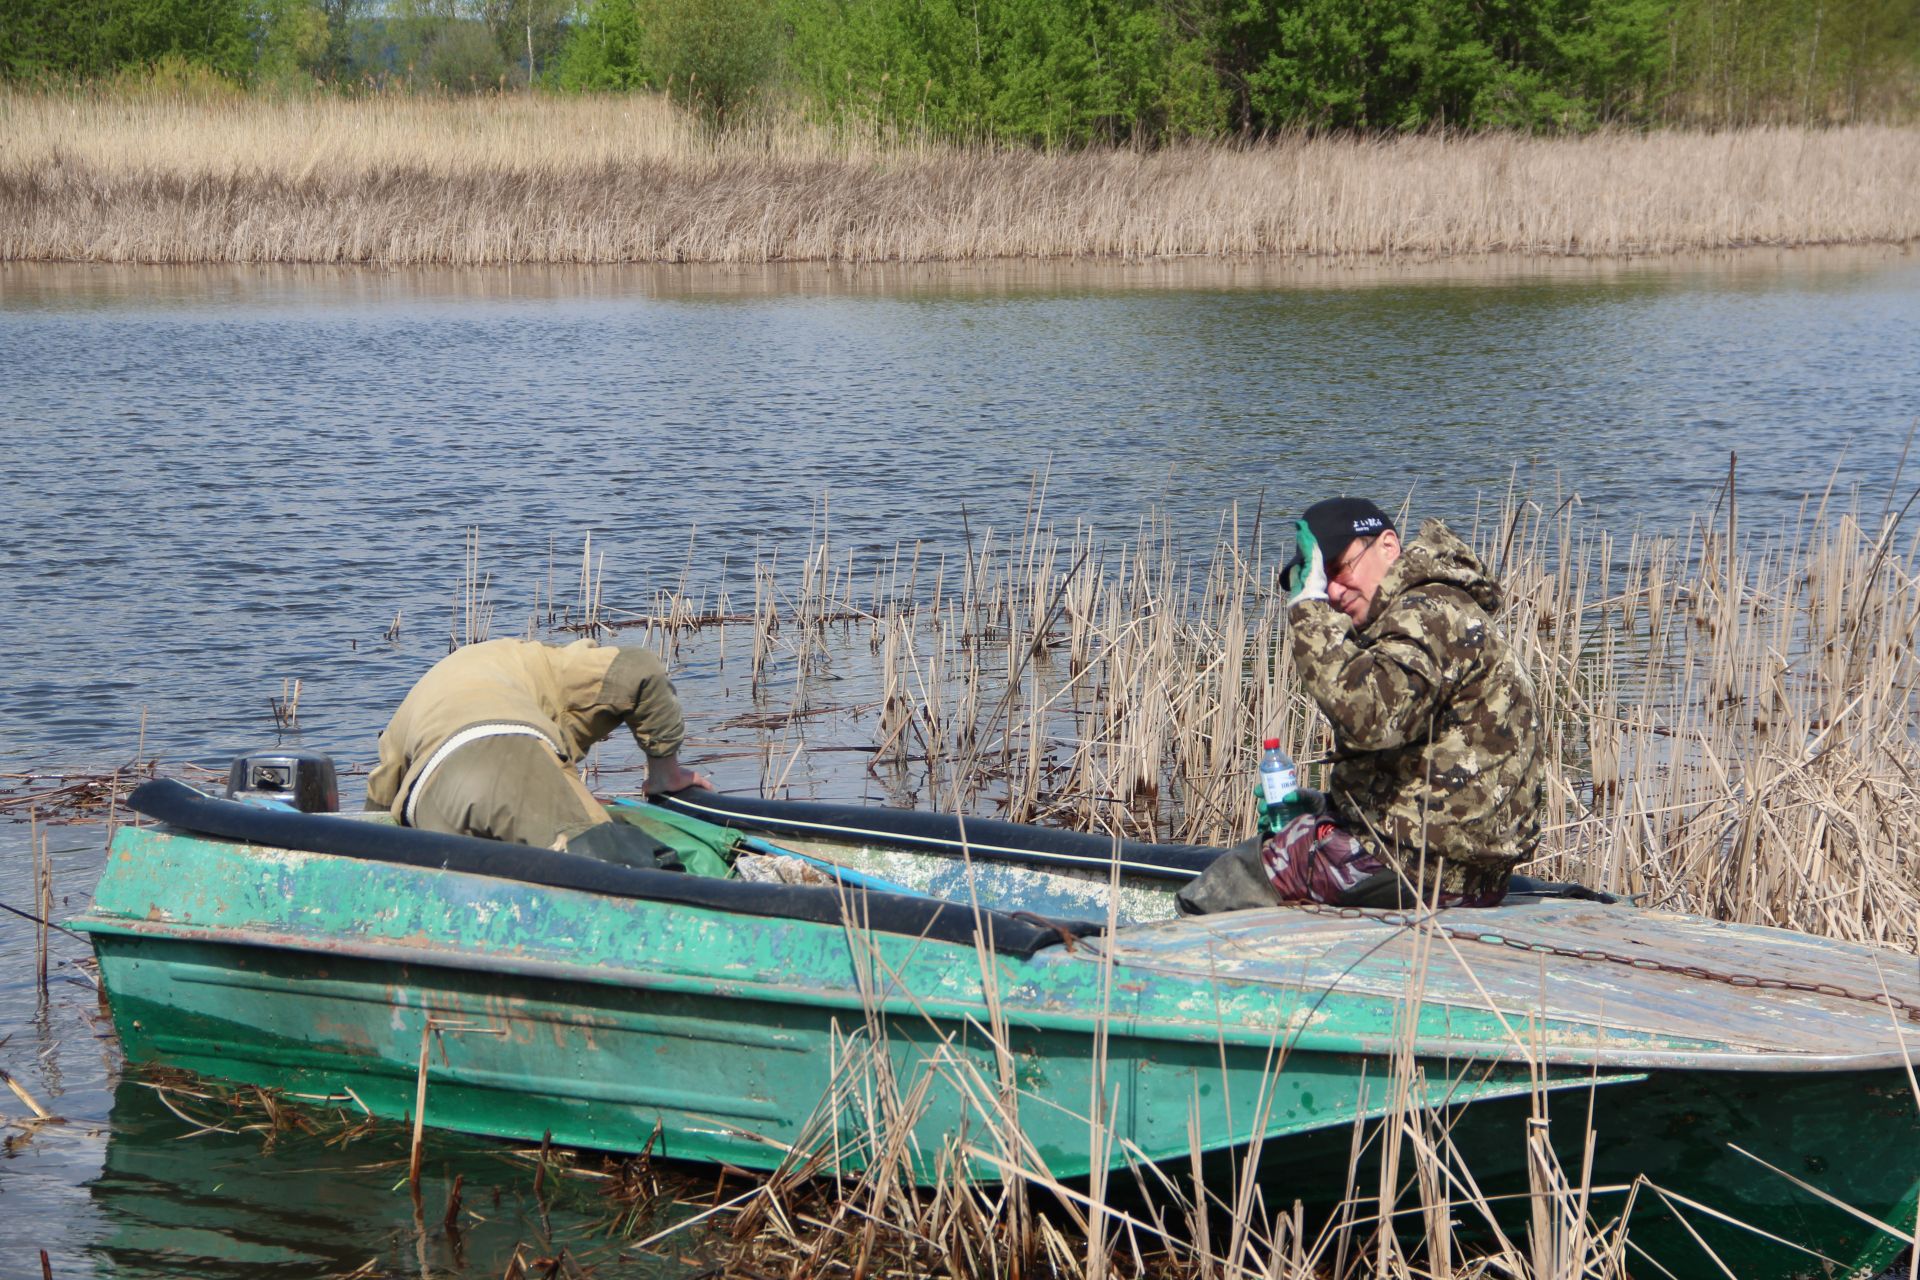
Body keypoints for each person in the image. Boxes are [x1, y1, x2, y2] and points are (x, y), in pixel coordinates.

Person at [1179, 497, 1544, 914]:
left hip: (1417, 868)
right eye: (1319, 581)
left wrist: (1307, 611)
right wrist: (1325, 806)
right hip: (1472, 878)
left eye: (1337, 569)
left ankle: (1165, 969)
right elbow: (1426, 763)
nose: (1332, 591)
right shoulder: (1437, 609)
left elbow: (1372, 719)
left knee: (1234, 879)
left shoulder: (1424, 614)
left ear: (1389, 546)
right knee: (1303, 831)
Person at [366, 637, 711, 865]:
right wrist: (665, 775)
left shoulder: (428, 692)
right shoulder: (556, 666)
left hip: (431, 802)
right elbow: (640, 669)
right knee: (614, 866)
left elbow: (376, 811)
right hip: (509, 756)